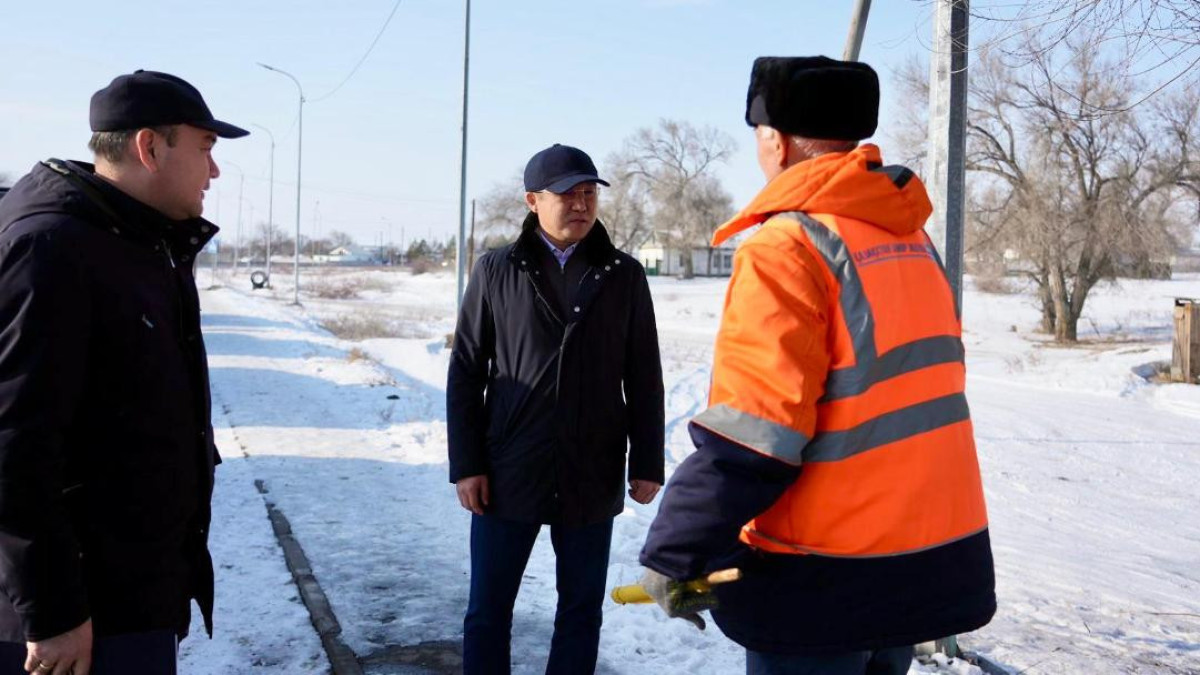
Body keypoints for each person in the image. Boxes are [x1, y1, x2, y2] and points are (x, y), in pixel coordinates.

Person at [638, 56, 996, 675]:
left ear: (774, 140)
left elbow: (755, 435)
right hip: (917, 565)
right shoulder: (911, 239)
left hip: (822, 575)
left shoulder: (787, 247)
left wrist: (678, 548)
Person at [0, 70, 247, 675]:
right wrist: (52, 611)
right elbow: (12, 445)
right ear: (149, 146)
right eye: (206, 150)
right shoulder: (53, 248)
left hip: (132, 595)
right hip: (81, 617)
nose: (214, 172)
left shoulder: (139, 243)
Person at [447, 143, 665, 674]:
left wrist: (648, 462)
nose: (581, 204)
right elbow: (467, 372)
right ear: (531, 200)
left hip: (592, 466)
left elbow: (644, 375)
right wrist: (467, 465)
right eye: (567, 193)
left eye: (588, 192)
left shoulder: (624, 274)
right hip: (509, 468)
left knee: (581, 611)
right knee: (488, 611)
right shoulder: (497, 270)